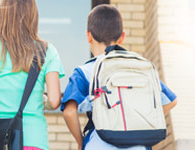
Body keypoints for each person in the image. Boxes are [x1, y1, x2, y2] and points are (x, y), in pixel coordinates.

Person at [61, 5, 177, 150]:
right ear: (122, 37)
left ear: (88, 36)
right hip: (138, 146)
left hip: (98, 144)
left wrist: (80, 141)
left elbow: (69, 111)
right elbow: (171, 101)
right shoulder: (138, 68)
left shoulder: (84, 71)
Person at [0, 0, 65, 149]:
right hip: (34, 138)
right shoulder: (47, 51)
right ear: (33, 15)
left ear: (3, 13)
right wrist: (42, 100)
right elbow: (55, 101)